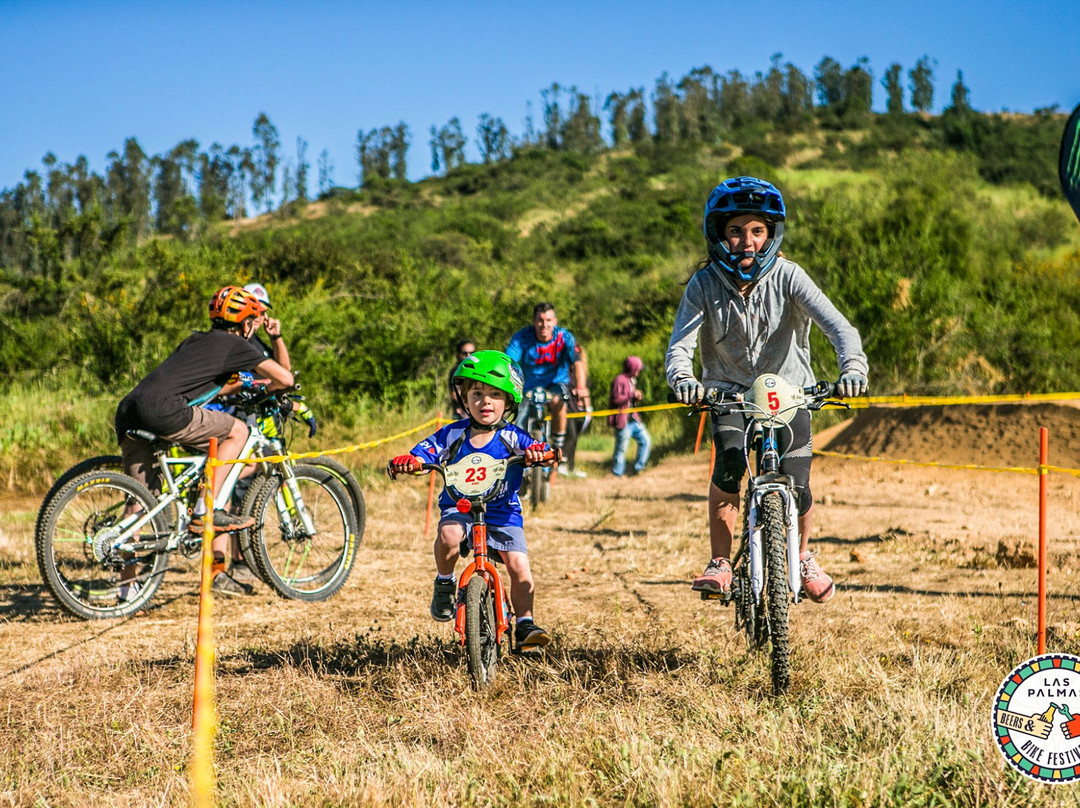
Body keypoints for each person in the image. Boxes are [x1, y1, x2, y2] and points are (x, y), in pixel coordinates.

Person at [665, 176, 869, 604]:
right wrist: (685, 381)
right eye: (736, 231)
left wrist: (853, 367)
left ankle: (802, 555)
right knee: (729, 465)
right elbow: (679, 348)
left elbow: (840, 329)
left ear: (771, 234)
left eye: (758, 231)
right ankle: (721, 562)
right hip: (728, 393)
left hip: (790, 391)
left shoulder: (790, 276)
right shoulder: (702, 285)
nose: (747, 242)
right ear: (719, 234)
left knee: (799, 481)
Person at [115, 286, 294, 597]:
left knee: (141, 501)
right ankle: (204, 509)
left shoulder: (197, 340)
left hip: (130, 409)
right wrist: (273, 388)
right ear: (247, 322)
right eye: (255, 318)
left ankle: (125, 590)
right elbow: (286, 378)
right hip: (166, 411)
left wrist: (241, 389)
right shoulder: (238, 344)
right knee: (239, 432)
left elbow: (206, 386)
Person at [387, 350, 554, 650]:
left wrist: (540, 453)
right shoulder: (452, 434)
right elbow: (424, 451)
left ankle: (525, 624)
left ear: (509, 401)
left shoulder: (513, 436)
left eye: (494, 394)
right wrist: (410, 461)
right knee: (449, 534)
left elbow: (538, 447)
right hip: (460, 506)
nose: (485, 401)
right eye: (476, 393)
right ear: (464, 399)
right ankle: (444, 582)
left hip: (502, 512)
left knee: (518, 565)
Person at [505, 303, 589, 457]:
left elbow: (577, 363)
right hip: (527, 385)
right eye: (540, 320)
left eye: (548, 320)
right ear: (534, 321)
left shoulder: (564, 337)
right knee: (520, 414)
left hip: (555, 383)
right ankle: (519, 451)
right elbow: (509, 362)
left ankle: (558, 443)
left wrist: (581, 386)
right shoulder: (521, 337)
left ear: (555, 321)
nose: (544, 325)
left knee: (558, 401)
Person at [609, 355, 651, 477]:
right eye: (637, 369)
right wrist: (632, 394)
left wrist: (636, 398)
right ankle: (617, 473)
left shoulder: (632, 380)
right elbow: (616, 399)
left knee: (646, 440)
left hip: (633, 419)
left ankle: (638, 468)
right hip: (623, 421)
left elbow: (628, 399)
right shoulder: (619, 380)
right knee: (621, 448)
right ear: (632, 368)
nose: (639, 372)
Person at [447, 339, 476, 419]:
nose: (468, 355)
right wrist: (470, 404)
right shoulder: (457, 371)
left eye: (471, 353)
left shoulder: (478, 370)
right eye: (465, 353)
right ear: (459, 354)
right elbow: (455, 394)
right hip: (462, 414)